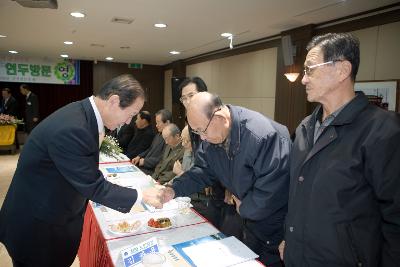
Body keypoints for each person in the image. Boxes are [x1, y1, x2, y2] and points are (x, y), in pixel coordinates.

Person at [0, 74, 164, 267]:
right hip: (38, 230)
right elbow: (93, 185)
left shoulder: (81, 114)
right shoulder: (74, 128)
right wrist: (142, 196)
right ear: (113, 101)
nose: (128, 122)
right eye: (130, 114)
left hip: (47, 216)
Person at [280, 33, 400, 266]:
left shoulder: (383, 131)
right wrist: (289, 237)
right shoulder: (305, 127)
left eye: (310, 69)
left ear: (342, 70)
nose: (304, 79)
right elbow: (297, 193)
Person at [162, 92, 291, 267]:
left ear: (221, 117)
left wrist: (245, 207)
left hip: (273, 227)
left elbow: (273, 190)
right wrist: (173, 189)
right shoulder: (212, 136)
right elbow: (202, 171)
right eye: (196, 131)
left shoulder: (263, 136)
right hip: (245, 219)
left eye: (201, 130)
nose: (201, 137)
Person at [132, 109, 171, 174]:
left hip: (154, 171)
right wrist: (139, 156)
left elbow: (163, 159)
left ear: (167, 122)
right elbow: (150, 149)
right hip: (146, 167)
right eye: (156, 123)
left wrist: (145, 161)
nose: (156, 125)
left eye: (158, 122)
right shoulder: (158, 135)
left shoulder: (170, 138)